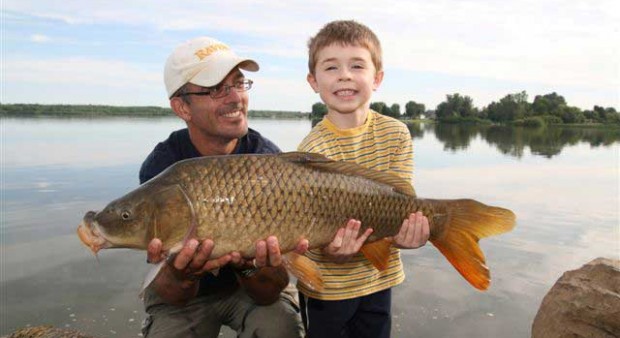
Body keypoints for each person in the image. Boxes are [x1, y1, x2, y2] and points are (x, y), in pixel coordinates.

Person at [139, 36, 306, 338]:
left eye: (239, 84)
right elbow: (173, 294)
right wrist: (182, 271)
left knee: (280, 326)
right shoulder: (162, 167)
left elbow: (267, 293)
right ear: (182, 107)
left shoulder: (268, 161)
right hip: (187, 296)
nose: (234, 98)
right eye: (216, 88)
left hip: (251, 290)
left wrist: (246, 264)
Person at [297, 20, 431, 338]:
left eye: (357, 65)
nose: (344, 75)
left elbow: (399, 202)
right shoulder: (311, 150)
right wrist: (328, 250)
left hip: (379, 278)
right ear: (313, 81)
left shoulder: (396, 133)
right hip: (327, 289)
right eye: (331, 67)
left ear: (377, 78)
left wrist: (408, 234)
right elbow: (302, 231)